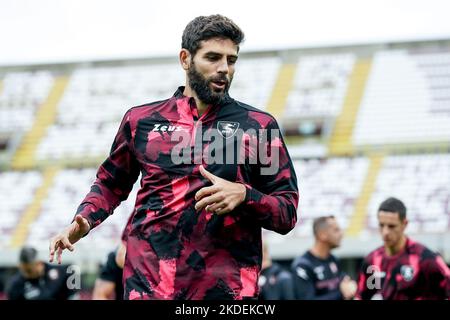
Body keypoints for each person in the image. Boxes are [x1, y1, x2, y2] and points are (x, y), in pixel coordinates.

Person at [49, 15, 299, 300]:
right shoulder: (141, 121)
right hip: (150, 285)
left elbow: (287, 211)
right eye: (213, 58)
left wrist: (245, 195)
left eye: (231, 60)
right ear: (185, 59)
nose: (223, 69)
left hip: (226, 291)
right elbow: (110, 183)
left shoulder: (258, 126)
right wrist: (84, 218)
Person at [356, 197, 450, 300]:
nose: (385, 232)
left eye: (391, 226)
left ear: (404, 224)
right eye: (381, 225)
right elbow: (361, 296)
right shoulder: (372, 262)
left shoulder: (426, 259)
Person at [291, 216, 357, 300]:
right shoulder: (302, 266)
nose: (341, 234)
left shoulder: (334, 260)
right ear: (322, 235)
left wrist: (349, 284)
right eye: (336, 230)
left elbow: (344, 281)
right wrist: (341, 293)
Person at [6, 246, 79, 300]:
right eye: (23, 270)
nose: (26, 274)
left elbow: (73, 291)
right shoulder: (16, 284)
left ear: (39, 263)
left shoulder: (60, 273)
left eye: (29, 270)